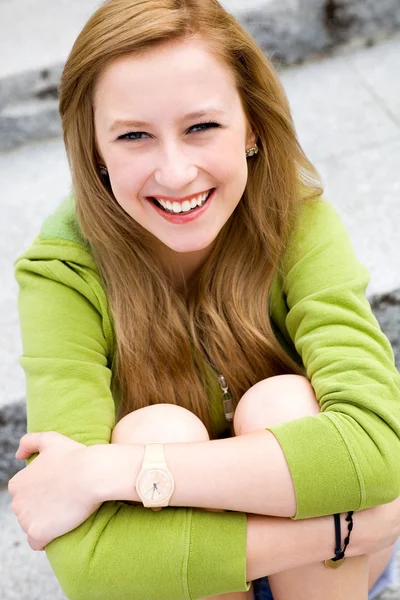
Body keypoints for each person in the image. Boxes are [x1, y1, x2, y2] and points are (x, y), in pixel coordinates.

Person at [8, 0, 400, 598]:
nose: (175, 172)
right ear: (95, 153)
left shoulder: (297, 223)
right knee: (155, 427)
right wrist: (338, 531)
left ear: (251, 126)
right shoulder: (62, 274)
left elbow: (377, 448)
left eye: (201, 127)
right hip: (213, 566)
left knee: (284, 401)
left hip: (331, 579)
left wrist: (110, 472)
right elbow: (87, 564)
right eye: (135, 135)